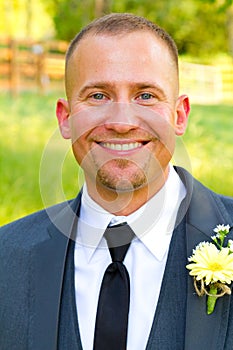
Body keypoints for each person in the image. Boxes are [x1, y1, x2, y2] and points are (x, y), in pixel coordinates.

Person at [0, 13, 233, 350]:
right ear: (65, 119)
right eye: (98, 96)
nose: (122, 122)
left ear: (178, 115)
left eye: (146, 96)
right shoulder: (7, 258)